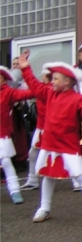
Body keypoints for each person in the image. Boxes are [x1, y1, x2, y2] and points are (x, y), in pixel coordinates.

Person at [18, 52, 82, 223]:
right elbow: (34, 86)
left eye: (55, 79)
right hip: (49, 144)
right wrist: (25, 69)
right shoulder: (49, 93)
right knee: (48, 176)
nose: (51, 81)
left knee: (80, 176)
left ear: (66, 82)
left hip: (67, 145)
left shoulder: (78, 99)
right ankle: (44, 208)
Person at [0, 66, 34, 204]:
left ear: (4, 80)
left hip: (1, 135)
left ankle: (15, 191)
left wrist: (41, 89)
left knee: (6, 162)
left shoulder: (8, 92)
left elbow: (27, 94)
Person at [19, 69, 52, 191]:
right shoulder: (43, 87)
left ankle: (77, 181)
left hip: (52, 127)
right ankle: (32, 180)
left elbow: (34, 86)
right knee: (33, 153)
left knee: (63, 154)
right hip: (41, 126)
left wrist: (25, 69)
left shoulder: (49, 89)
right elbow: (30, 91)